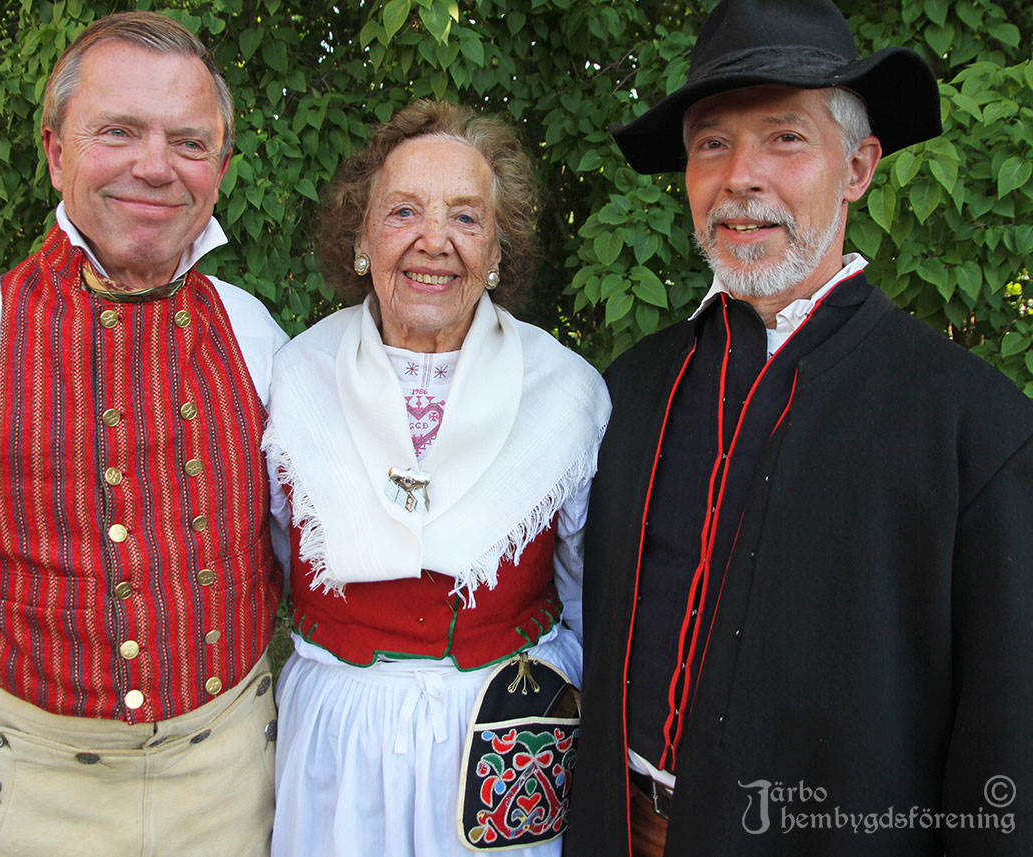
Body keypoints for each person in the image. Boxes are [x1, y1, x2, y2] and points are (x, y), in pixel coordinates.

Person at [565, 1, 1033, 856]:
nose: (742, 175)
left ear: (856, 168)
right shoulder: (628, 389)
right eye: (711, 142)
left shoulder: (975, 429)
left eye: (785, 139)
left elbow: (1007, 747)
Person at [0, 12, 287, 857]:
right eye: (119, 132)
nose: (156, 166)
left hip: (237, 786)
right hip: (37, 795)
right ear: (55, 151)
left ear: (219, 171)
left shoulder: (255, 335)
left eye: (189, 142)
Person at [264, 99, 611, 857]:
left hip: (506, 735)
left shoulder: (567, 391)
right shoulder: (295, 380)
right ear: (361, 238)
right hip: (340, 738)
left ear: (496, 249)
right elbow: (278, 555)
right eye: (403, 213)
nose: (433, 241)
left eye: (464, 217)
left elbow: (587, 589)